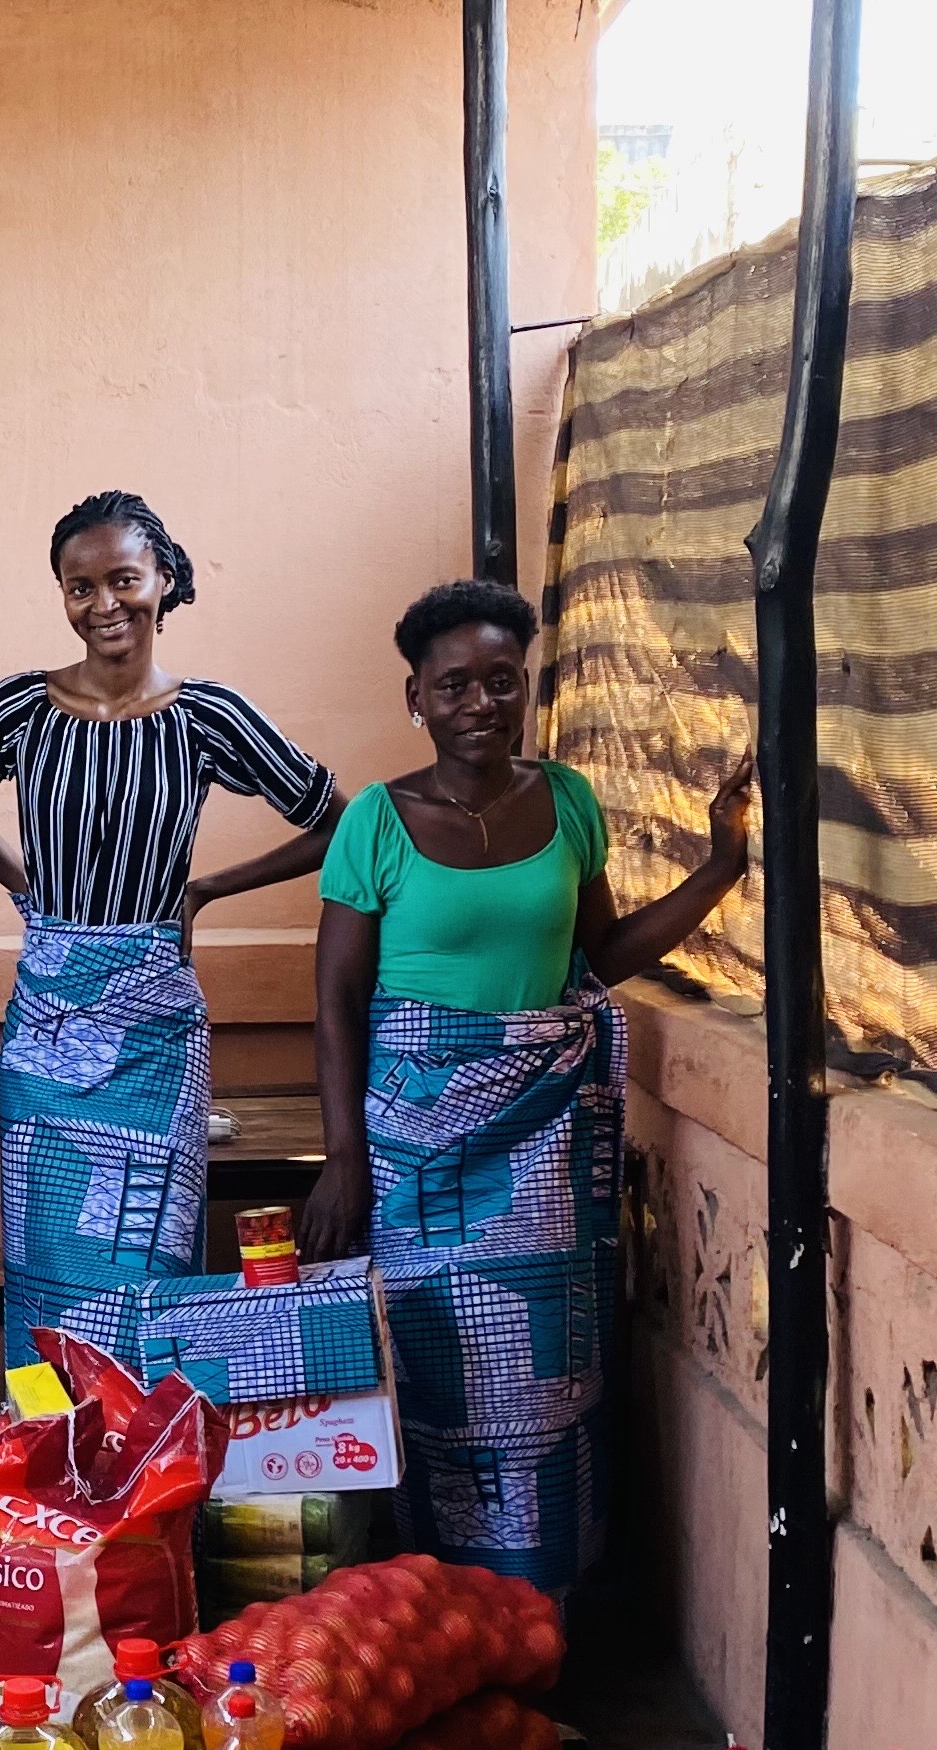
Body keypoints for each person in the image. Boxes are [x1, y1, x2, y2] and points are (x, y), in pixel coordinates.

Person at [296, 579, 754, 1590]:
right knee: (437, 1381)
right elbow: (336, 1003)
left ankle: (541, 1624)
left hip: (546, 1158)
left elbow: (599, 951)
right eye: (452, 686)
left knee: (551, 1393)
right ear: (414, 698)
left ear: (525, 688)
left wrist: (719, 869)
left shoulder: (570, 802)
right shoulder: (376, 822)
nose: (479, 703)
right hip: (418, 1159)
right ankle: (437, 1611)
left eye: (500, 682)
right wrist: (343, 1162)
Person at [0, 490, 342, 1347]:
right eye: (78, 587)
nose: (103, 604)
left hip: (157, 1024)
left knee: (153, 1253)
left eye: (123, 579)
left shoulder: (210, 717)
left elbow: (338, 822)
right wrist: (31, 886)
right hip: (47, 1020)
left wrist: (204, 892)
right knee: (47, 1259)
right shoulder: (18, 708)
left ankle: (153, 1468)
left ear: (164, 581)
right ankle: (55, 1464)